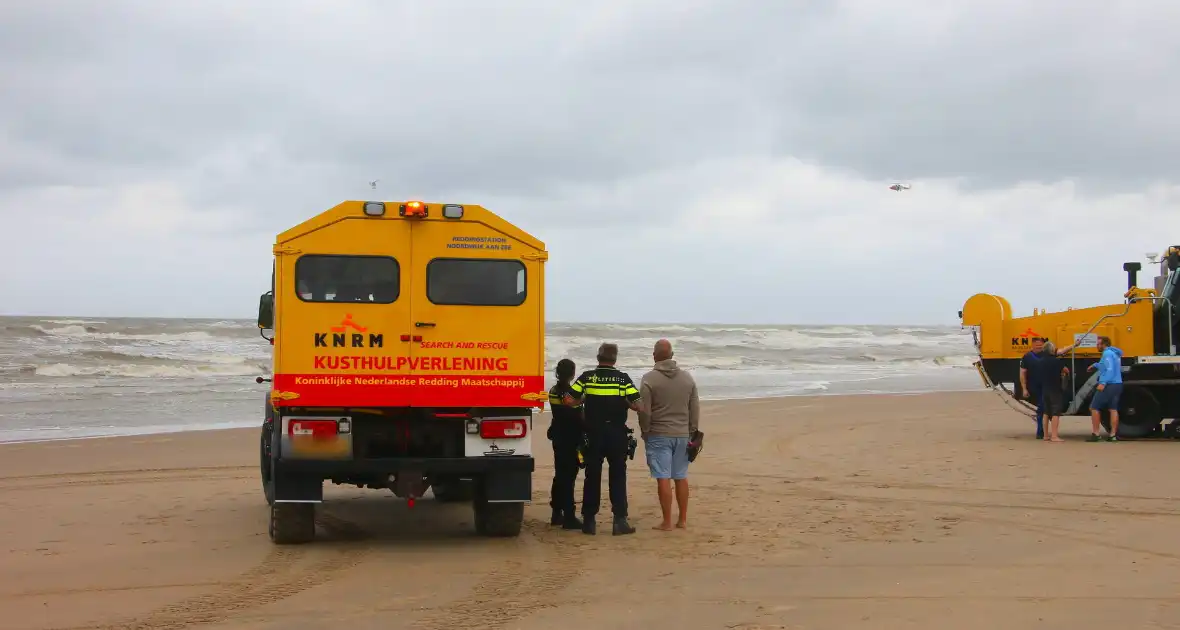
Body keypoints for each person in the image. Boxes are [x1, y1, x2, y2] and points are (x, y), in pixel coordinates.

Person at [564, 342, 641, 536]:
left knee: (592, 476)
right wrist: (624, 402)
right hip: (616, 433)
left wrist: (583, 401)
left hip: (593, 433)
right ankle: (619, 520)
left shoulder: (587, 377)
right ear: (615, 359)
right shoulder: (622, 379)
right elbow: (638, 405)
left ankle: (589, 521)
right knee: (617, 475)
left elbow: (568, 400)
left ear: (598, 358)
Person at [638, 339, 700, 531]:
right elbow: (694, 408)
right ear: (672, 356)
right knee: (681, 476)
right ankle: (682, 519)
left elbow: (644, 411)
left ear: (654, 356)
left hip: (658, 433)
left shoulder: (649, 379)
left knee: (662, 477)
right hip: (682, 434)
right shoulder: (688, 378)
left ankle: (667, 522)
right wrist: (692, 431)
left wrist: (645, 431)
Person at [547, 359, 585, 530]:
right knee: (569, 476)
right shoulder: (570, 394)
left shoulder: (553, 391)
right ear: (572, 373)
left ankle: (556, 512)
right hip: (572, 438)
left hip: (558, 436)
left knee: (560, 475)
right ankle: (569, 516)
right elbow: (577, 416)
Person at [1087, 336, 1124, 442]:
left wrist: (1103, 382)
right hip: (1117, 384)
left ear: (1104, 344)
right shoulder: (1115, 353)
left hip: (1109, 385)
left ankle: (1096, 434)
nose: (1097, 346)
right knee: (1113, 409)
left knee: (1094, 407)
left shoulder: (1107, 353)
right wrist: (1095, 365)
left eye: (1098, 344)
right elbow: (1106, 365)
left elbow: (1109, 369)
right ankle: (1112, 435)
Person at [1036, 341, 1070, 443]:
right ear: (1051, 350)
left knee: (1046, 412)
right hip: (1055, 389)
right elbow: (1066, 370)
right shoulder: (1056, 361)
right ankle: (1054, 436)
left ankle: (1046, 435)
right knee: (1056, 412)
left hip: (1045, 389)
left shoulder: (1040, 361)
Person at [1018, 337, 1047, 439]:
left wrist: (1074, 345)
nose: (1039, 346)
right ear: (1032, 345)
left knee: (1043, 408)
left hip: (1047, 386)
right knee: (1041, 408)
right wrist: (1024, 389)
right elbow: (1022, 373)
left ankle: (1042, 431)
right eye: (1037, 345)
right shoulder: (1027, 357)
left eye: (1041, 345)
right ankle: (1040, 431)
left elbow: (1061, 351)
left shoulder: (1047, 354)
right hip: (1035, 387)